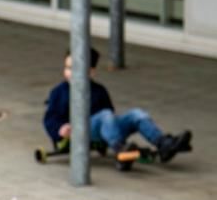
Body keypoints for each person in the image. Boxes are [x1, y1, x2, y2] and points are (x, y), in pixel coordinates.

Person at [43, 49, 192, 166]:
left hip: (100, 131)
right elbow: (50, 118)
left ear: (91, 71)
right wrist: (60, 129)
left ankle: (163, 143)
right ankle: (120, 149)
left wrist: (109, 129)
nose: (71, 73)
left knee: (136, 114)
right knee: (105, 115)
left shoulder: (99, 90)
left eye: (77, 68)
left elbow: (110, 117)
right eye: (68, 68)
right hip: (77, 131)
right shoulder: (59, 92)